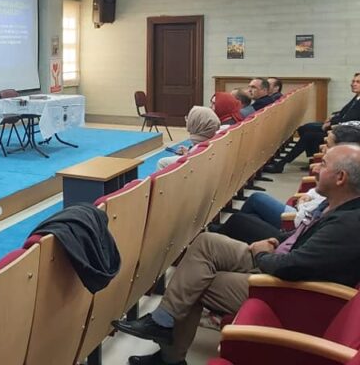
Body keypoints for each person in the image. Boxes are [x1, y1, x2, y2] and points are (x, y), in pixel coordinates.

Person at [112, 143, 360, 365]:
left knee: (194, 283)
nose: (316, 168)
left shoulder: (347, 225)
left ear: (340, 178)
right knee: (206, 243)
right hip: (280, 258)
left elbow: (293, 267)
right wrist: (275, 240)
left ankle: (169, 355)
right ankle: (162, 322)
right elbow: (302, 235)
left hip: (289, 289)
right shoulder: (335, 203)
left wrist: (262, 256)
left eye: (323, 164)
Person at [213, 122, 360, 243]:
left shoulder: (343, 202)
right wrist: (309, 196)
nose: (322, 147)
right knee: (249, 216)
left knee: (243, 216)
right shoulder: (341, 185)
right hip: (298, 229)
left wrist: (301, 203)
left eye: (328, 144)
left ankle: (223, 240)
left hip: (294, 229)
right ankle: (227, 240)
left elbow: (305, 221)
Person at [265, 72, 360, 172]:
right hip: (339, 126)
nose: (353, 84)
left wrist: (331, 123)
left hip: (346, 133)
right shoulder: (357, 97)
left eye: (358, 82)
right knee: (304, 128)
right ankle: (313, 158)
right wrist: (332, 117)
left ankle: (281, 164)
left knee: (309, 136)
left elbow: (349, 119)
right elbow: (344, 112)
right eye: (353, 81)